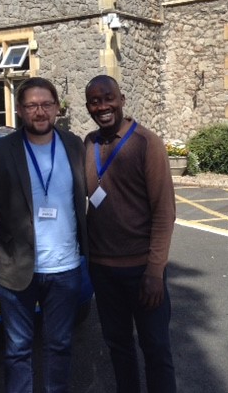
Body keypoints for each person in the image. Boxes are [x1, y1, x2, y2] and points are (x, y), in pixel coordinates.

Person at [0, 77, 88, 393]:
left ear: (57, 108)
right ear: (20, 110)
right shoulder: (0, 152)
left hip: (65, 269)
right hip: (15, 271)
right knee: (18, 350)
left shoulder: (73, 144)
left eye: (46, 104)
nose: (40, 112)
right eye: (32, 105)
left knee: (59, 345)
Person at [84, 75, 177, 393]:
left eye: (108, 98)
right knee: (118, 347)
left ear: (122, 99)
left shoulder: (146, 143)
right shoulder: (89, 144)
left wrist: (155, 270)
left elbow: (164, 212)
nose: (102, 106)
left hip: (142, 271)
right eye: (95, 101)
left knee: (156, 349)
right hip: (103, 270)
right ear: (88, 107)